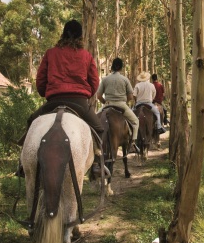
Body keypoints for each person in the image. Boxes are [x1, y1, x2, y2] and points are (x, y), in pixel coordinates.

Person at [15, 20, 104, 176]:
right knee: (99, 129)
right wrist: (86, 93)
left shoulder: (51, 53)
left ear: (63, 34)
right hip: (79, 102)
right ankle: (97, 164)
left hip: (54, 101)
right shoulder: (86, 56)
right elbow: (94, 82)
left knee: (31, 121)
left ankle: (23, 164)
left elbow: (40, 80)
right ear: (80, 37)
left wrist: (46, 92)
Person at [96, 58, 139, 144]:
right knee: (135, 121)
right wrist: (124, 102)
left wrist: (105, 103)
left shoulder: (105, 79)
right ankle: (133, 141)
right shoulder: (125, 79)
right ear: (121, 68)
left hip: (108, 104)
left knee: (94, 120)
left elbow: (99, 95)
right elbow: (130, 96)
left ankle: (95, 142)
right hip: (121, 105)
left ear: (112, 67)